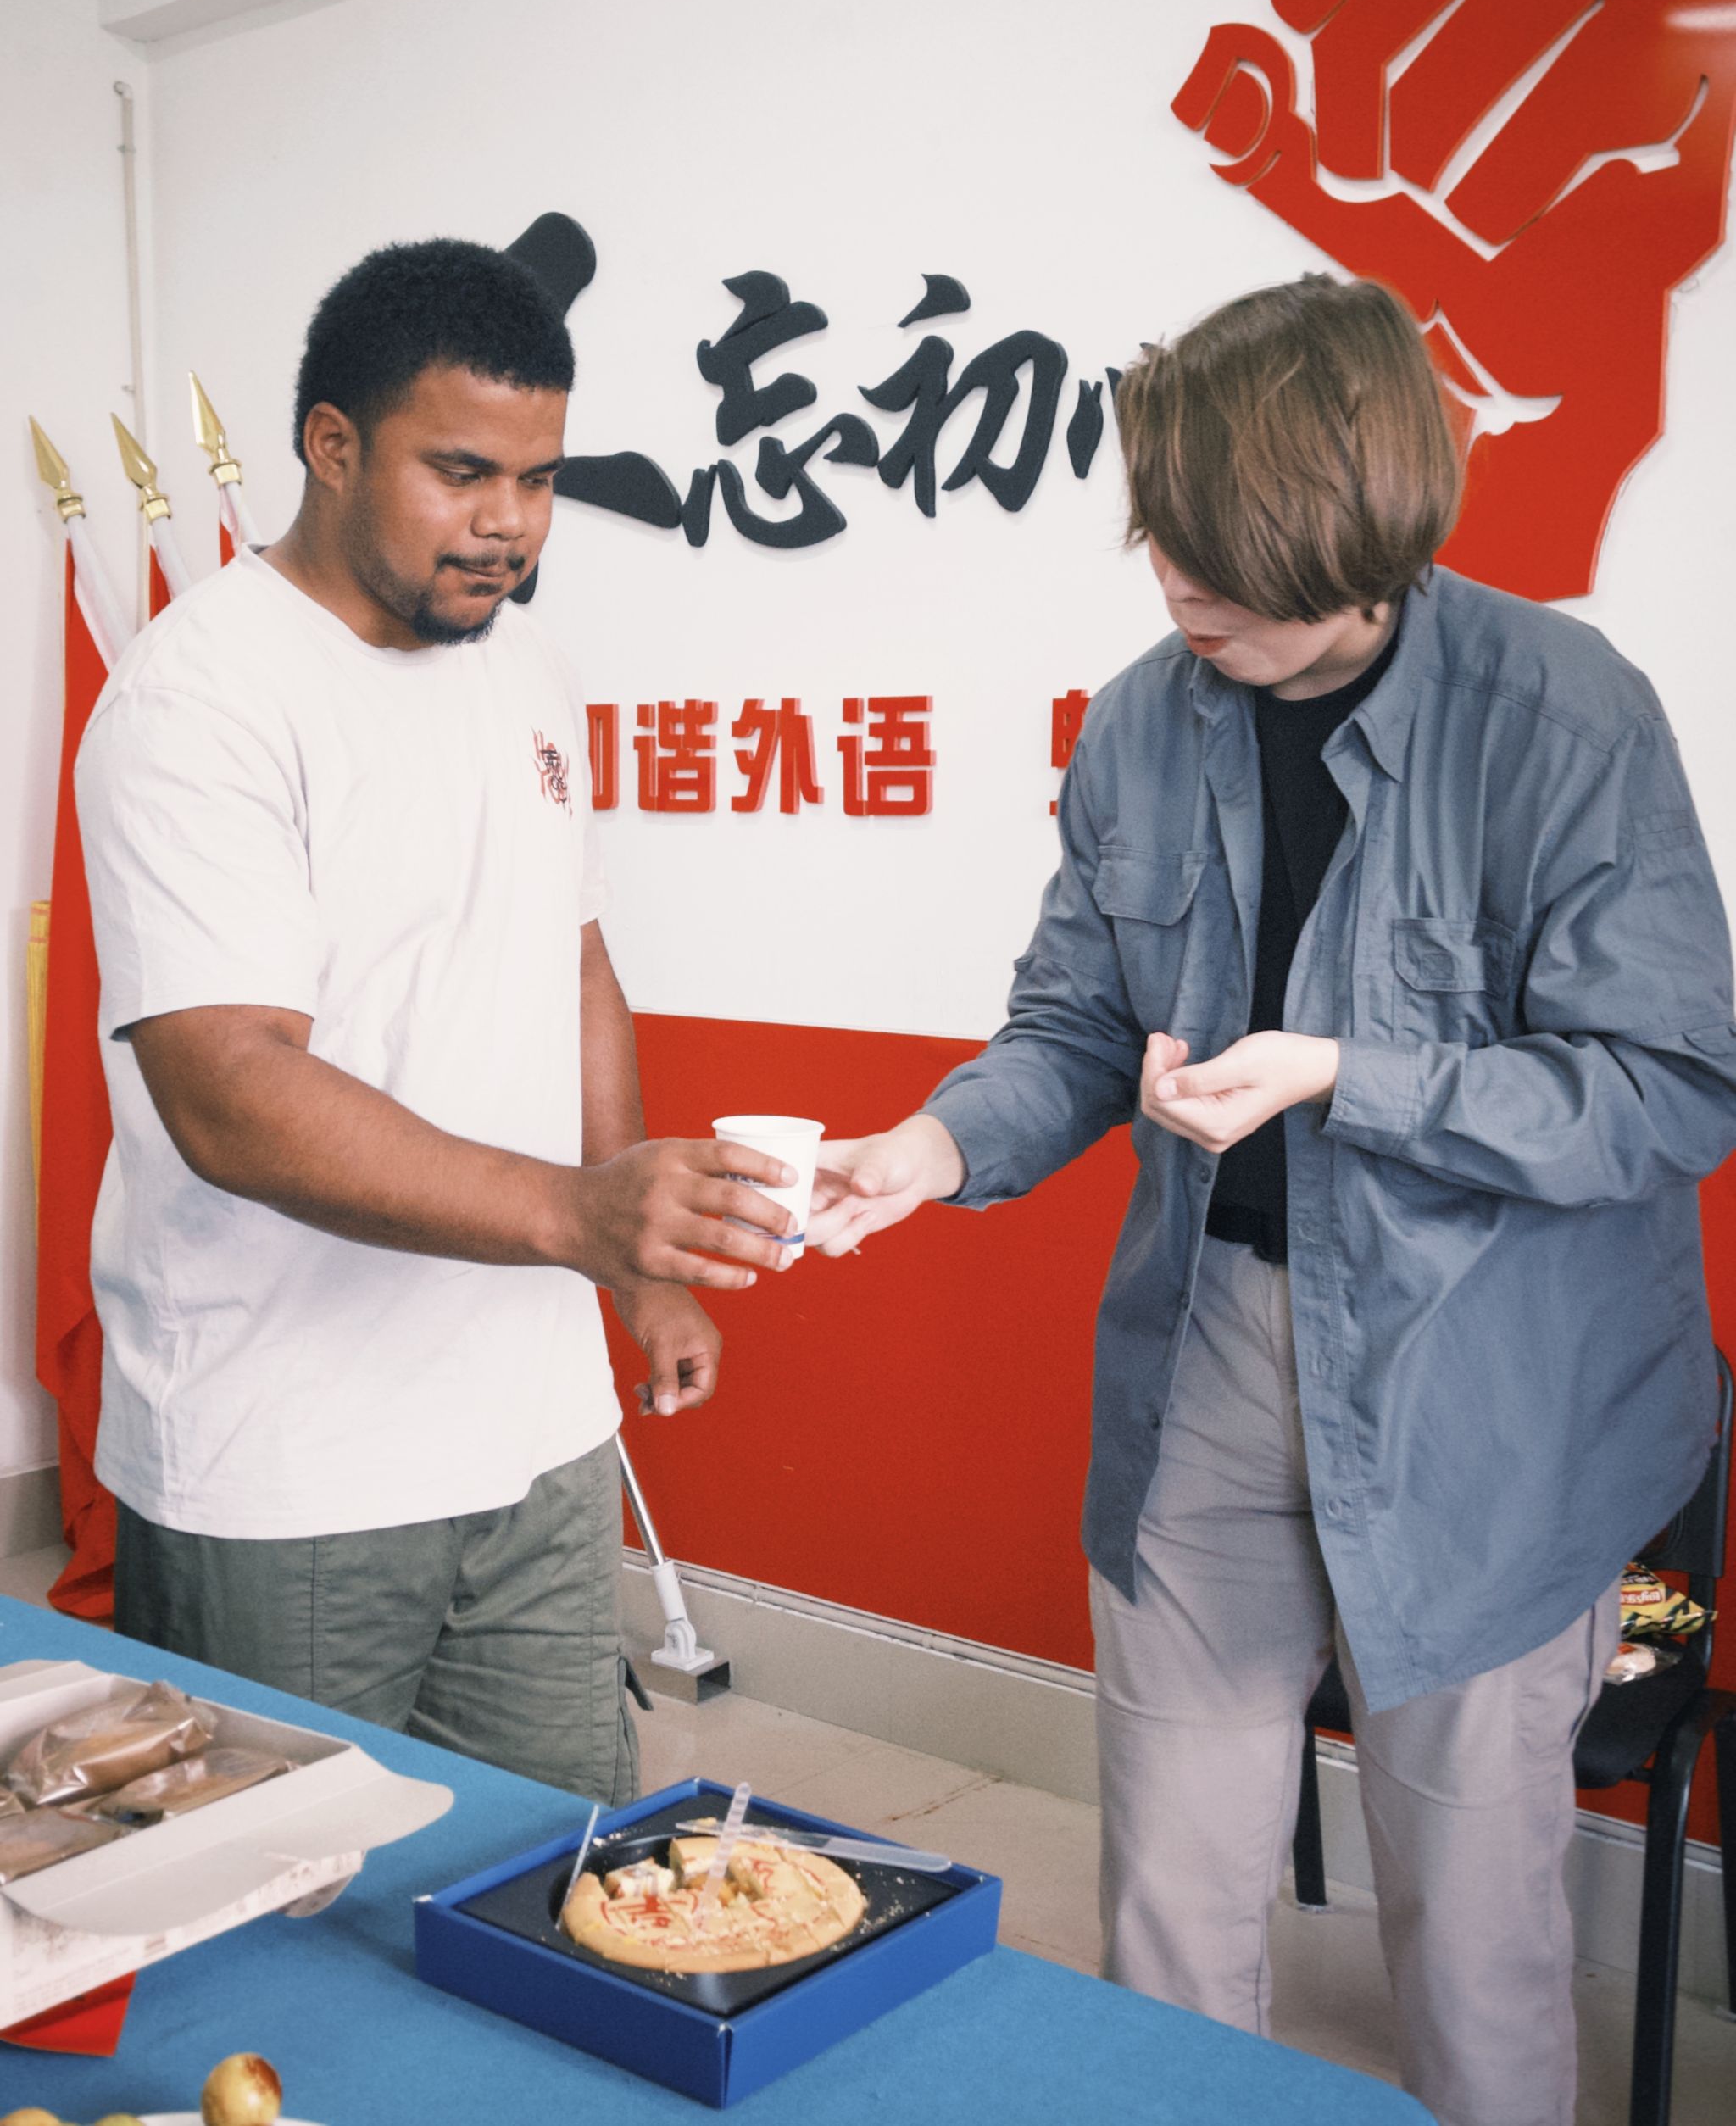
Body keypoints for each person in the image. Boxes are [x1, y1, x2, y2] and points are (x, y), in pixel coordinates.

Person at [807, 274, 1736, 2126]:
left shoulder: (1562, 715)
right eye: (1162, 534)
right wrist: (930, 1148)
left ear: (1357, 528)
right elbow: (1073, 1025)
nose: (1176, 583)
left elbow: (1669, 1088)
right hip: (1215, 1356)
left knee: (1473, 1944)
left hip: (1497, 1378)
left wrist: (1344, 1075)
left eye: (1221, 553)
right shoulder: (1140, 726)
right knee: (1166, 1904)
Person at [76, 238, 798, 1803]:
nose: (509, 525)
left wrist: (637, 1260)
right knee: (281, 1893)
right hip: (285, 1458)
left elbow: (574, 962)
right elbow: (230, 1089)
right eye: (461, 472)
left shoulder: (525, 666)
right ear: (333, 445)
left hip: (535, 1432)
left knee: (557, 1868)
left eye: (538, 480)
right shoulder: (197, 699)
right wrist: (575, 1214)